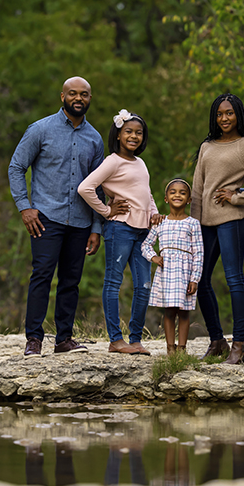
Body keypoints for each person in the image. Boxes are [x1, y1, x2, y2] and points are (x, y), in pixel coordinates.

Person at [8, 76, 104, 357]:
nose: (78, 98)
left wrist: (97, 226)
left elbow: (100, 186)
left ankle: (64, 339)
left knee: (71, 280)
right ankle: (34, 340)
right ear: (61, 96)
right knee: (42, 275)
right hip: (45, 217)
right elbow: (16, 167)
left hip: (81, 222)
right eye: (72, 93)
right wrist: (25, 207)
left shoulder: (95, 139)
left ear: (89, 98)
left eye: (84, 94)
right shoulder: (40, 129)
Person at [191, 93, 244, 364]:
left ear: (238, 114)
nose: (224, 118)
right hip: (205, 222)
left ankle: (239, 342)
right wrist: (192, 225)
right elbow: (197, 188)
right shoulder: (207, 146)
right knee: (201, 280)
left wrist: (238, 196)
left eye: (229, 113)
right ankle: (217, 340)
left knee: (233, 279)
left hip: (231, 220)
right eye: (219, 114)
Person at [78, 109, 162, 355]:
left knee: (144, 285)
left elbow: (146, 193)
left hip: (142, 232)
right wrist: (106, 211)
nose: (134, 136)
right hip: (120, 228)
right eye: (128, 131)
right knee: (114, 283)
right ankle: (116, 340)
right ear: (118, 135)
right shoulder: (112, 161)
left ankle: (135, 339)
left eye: (139, 133)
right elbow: (86, 188)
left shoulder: (141, 162)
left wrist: (154, 213)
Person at [141, 179, 204, 354]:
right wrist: (154, 257)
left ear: (189, 199)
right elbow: (145, 245)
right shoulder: (160, 222)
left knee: (183, 312)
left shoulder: (193, 223)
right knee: (169, 311)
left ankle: (182, 348)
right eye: (173, 192)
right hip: (166, 272)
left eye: (183, 193)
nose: (178, 195)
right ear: (166, 198)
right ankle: (170, 347)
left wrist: (195, 279)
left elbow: (199, 253)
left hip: (185, 273)